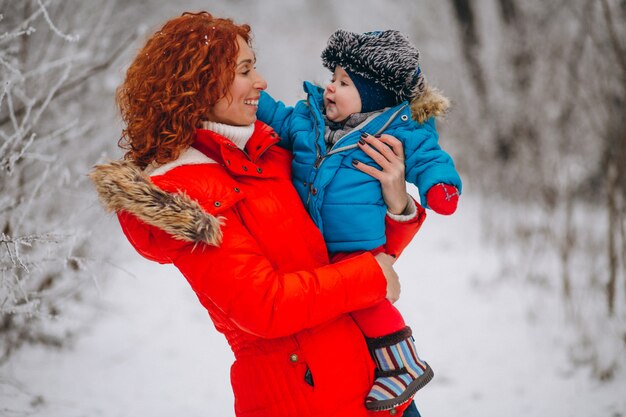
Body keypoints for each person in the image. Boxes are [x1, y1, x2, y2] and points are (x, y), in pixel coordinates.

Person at [90, 12, 425, 417]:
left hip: (373, 385)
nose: (261, 82)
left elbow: (354, 248)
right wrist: (372, 275)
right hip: (304, 399)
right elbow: (263, 307)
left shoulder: (270, 156)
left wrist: (398, 206)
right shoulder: (183, 193)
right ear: (200, 84)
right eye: (245, 70)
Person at [257, 29, 463, 411]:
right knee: (359, 301)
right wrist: (253, 101)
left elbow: (429, 157)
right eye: (332, 78)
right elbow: (277, 118)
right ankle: (396, 365)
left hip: (358, 244)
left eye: (343, 82)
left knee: (369, 300)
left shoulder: (398, 130)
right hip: (314, 250)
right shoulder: (309, 119)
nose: (330, 88)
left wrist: (439, 188)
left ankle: (402, 364)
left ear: (373, 95)